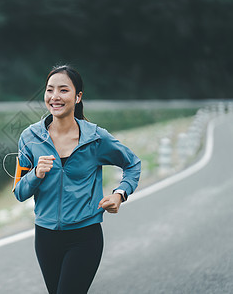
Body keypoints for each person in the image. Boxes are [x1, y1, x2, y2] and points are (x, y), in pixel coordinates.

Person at [12, 65, 141, 293]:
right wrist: (35, 174)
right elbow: (20, 192)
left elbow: (132, 164)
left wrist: (120, 193)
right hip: (45, 237)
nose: (55, 97)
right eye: (50, 90)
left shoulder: (95, 138)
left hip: (85, 237)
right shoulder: (29, 138)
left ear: (78, 96)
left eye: (63, 90)